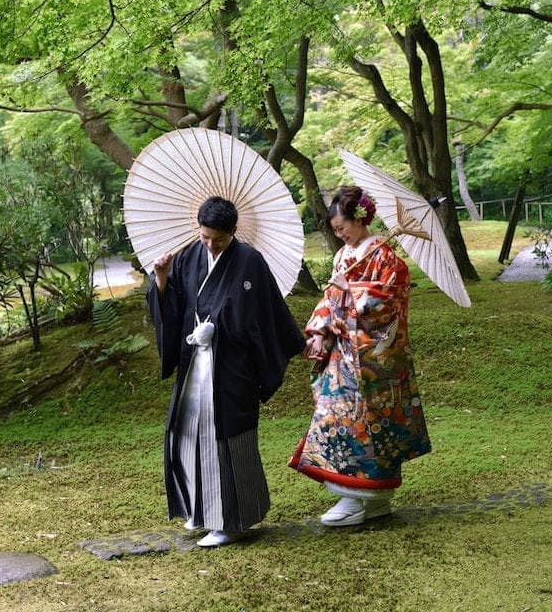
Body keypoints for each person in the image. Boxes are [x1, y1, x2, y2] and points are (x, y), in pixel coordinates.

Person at [146, 196, 305, 547]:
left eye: (217, 238)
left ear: (233, 230)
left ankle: (232, 520)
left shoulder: (250, 261)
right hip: (193, 363)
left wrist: (219, 328)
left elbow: (261, 317)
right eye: (204, 236)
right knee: (187, 433)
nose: (210, 244)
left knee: (226, 438)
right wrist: (159, 279)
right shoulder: (188, 255)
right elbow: (174, 302)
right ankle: (200, 510)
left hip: (231, 368)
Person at [290, 185, 431, 526]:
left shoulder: (387, 258)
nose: (339, 235)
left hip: (372, 359)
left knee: (368, 423)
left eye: (343, 228)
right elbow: (329, 299)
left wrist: (351, 291)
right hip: (342, 354)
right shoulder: (343, 257)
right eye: (335, 230)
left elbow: (387, 304)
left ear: (361, 218)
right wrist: (322, 331)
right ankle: (354, 494)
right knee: (337, 418)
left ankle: (366, 498)